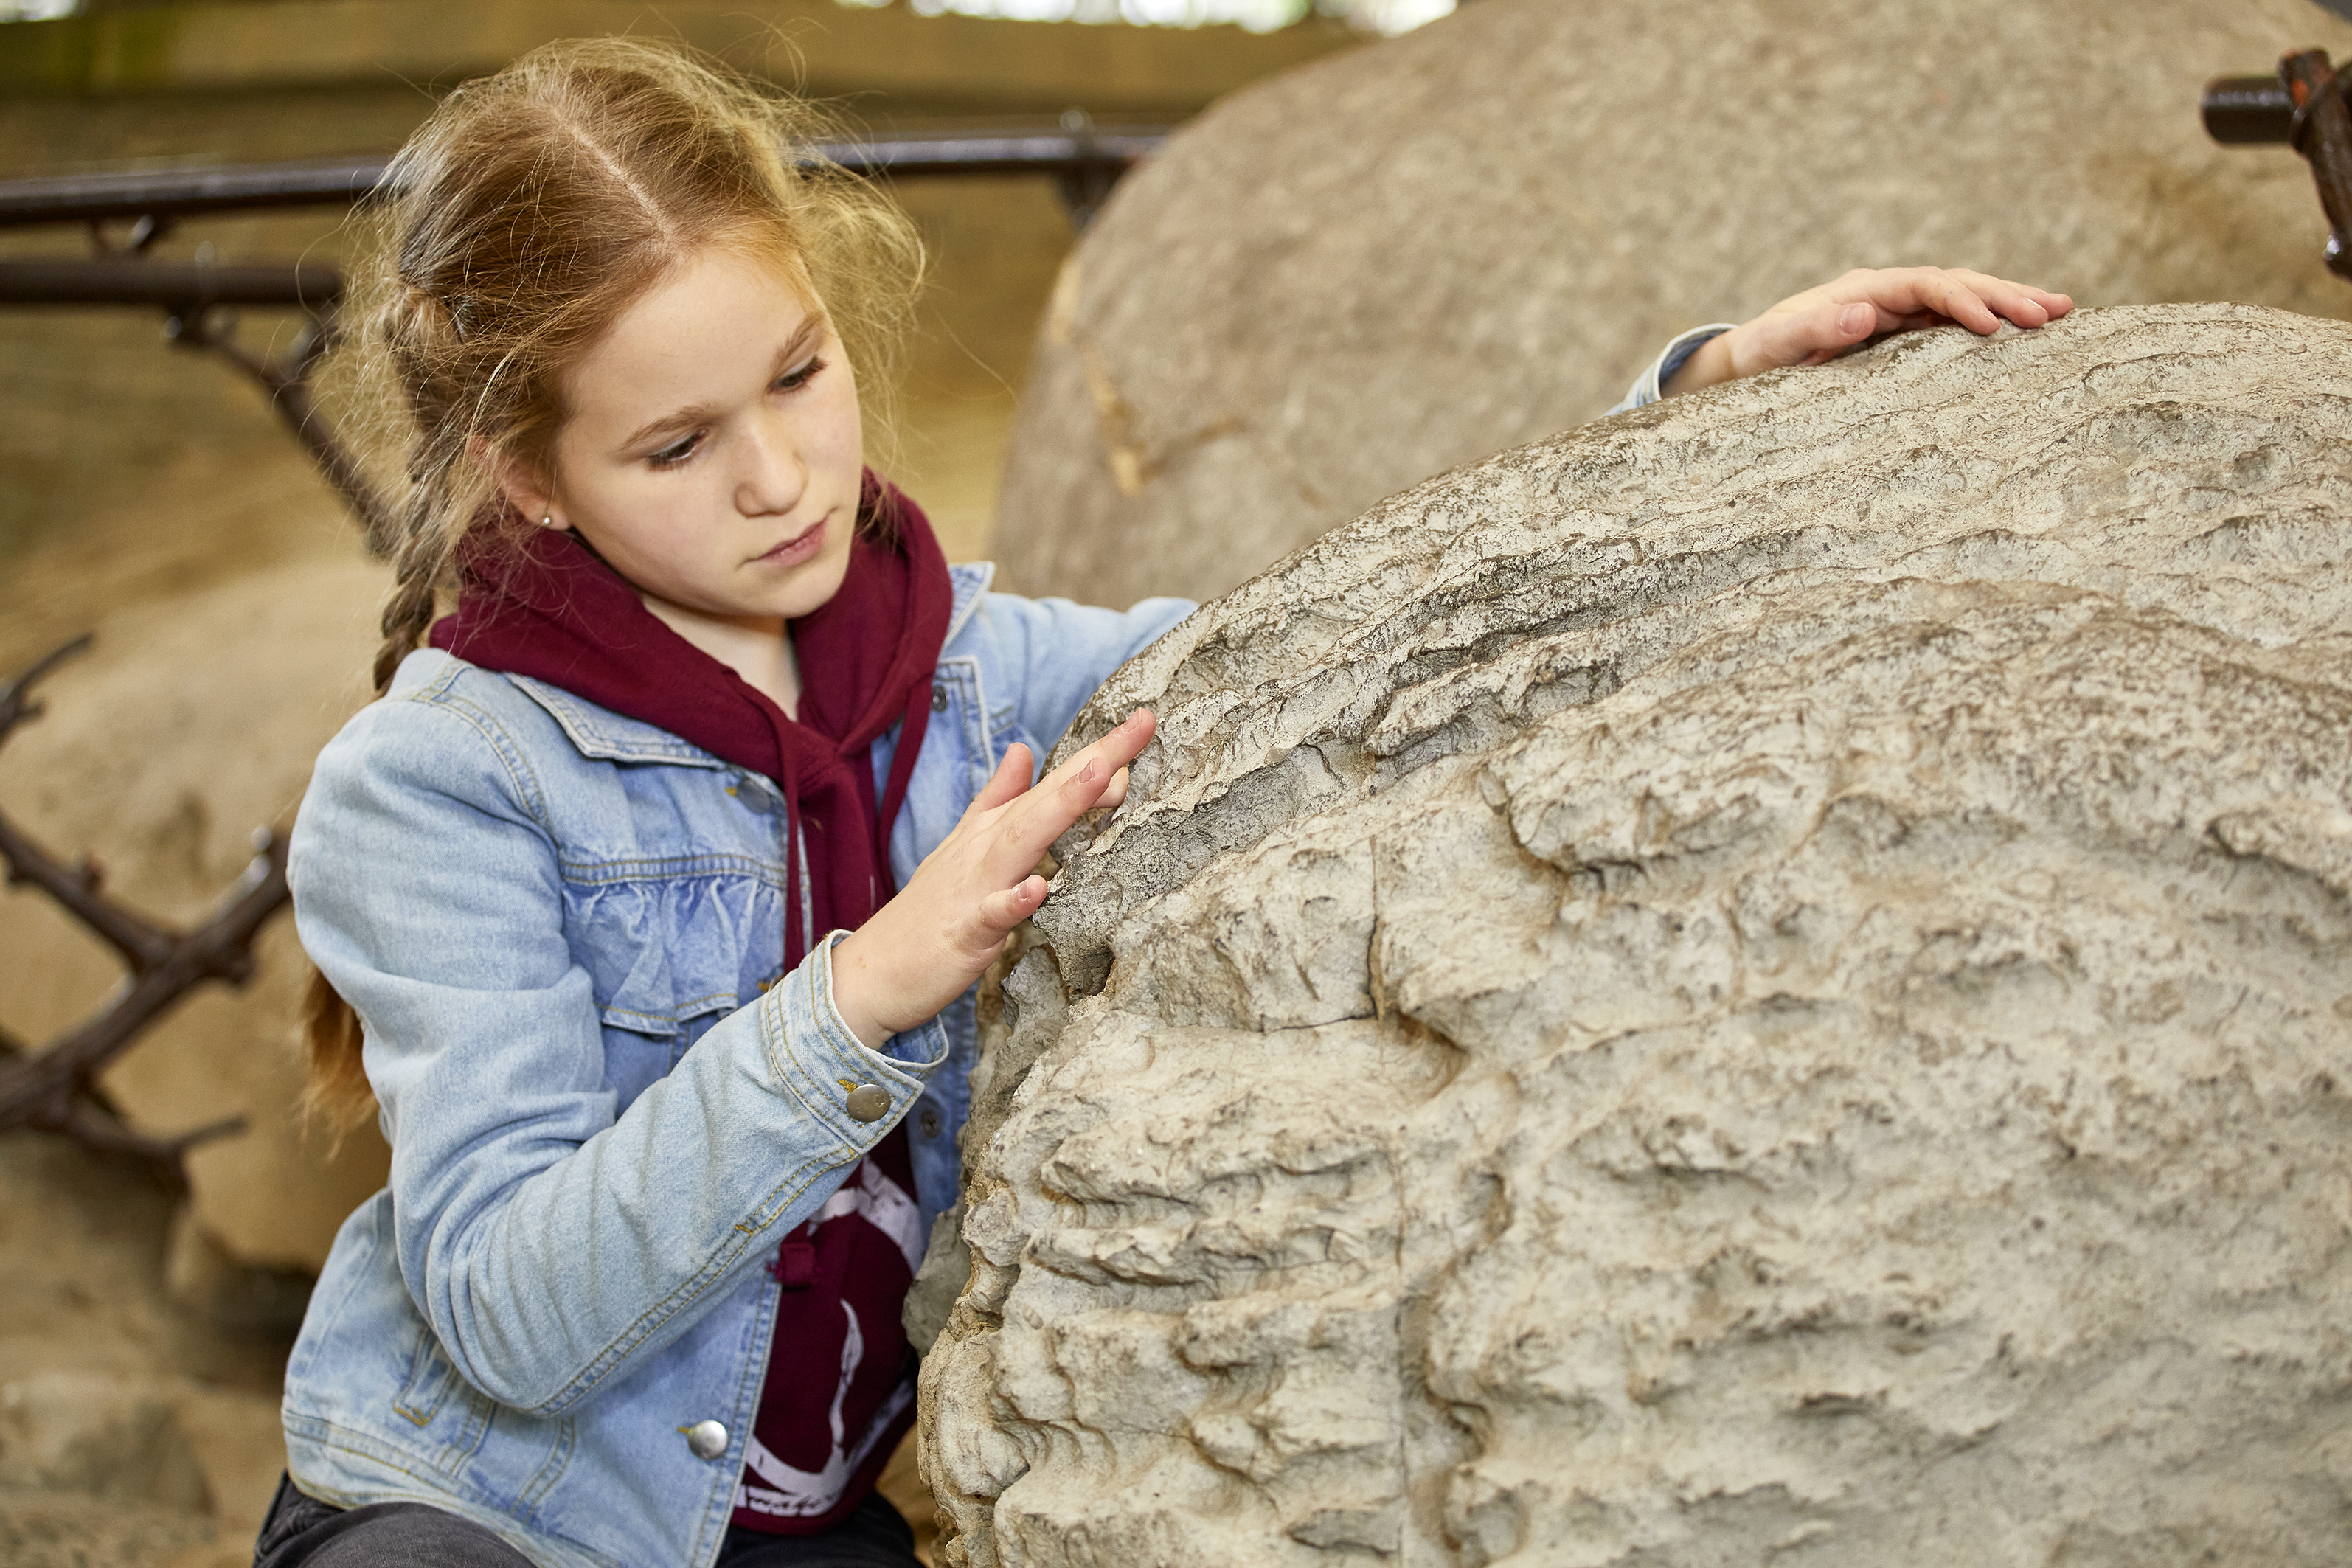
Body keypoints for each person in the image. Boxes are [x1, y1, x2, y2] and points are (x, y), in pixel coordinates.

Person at [261, 36, 2072, 1568]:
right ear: (530, 473)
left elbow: (1334, 630)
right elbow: (508, 1313)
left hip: (800, 1521)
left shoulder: (969, 667)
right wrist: (868, 990)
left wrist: (1692, 403)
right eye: (674, 445)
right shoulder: (436, 785)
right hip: (482, 1512)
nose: (778, 480)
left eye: (799, 376)